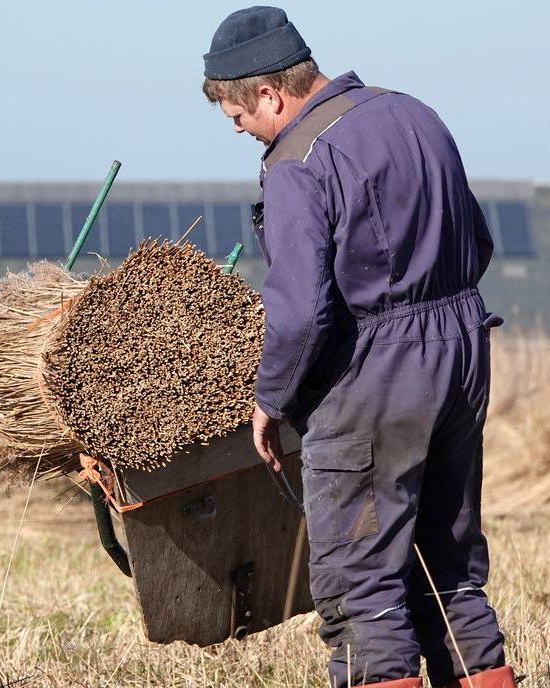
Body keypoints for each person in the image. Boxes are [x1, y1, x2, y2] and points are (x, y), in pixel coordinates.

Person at [202, 7, 515, 688]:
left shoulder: (297, 160)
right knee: (450, 572)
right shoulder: (414, 115)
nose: (236, 128)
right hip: (463, 354)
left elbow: (301, 311)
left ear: (268, 94)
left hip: (374, 377)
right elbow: (480, 242)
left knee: (363, 587)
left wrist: (271, 398)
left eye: (234, 113)